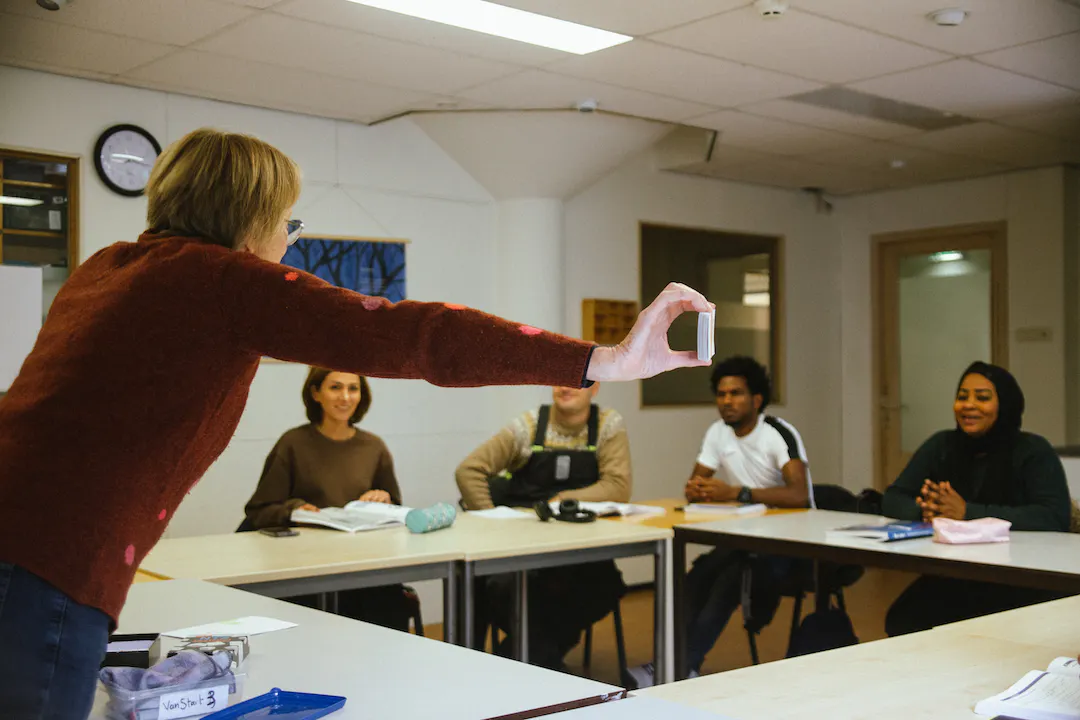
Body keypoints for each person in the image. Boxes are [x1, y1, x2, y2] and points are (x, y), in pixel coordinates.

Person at [0, 127, 713, 719]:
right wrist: (603, 358)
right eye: (289, 222)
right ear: (249, 217)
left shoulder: (109, 267)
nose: (289, 239)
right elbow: (417, 335)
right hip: (47, 565)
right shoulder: (216, 278)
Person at [629, 356, 811, 688]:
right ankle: (669, 662)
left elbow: (800, 496)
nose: (727, 401)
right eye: (722, 393)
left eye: (736, 393)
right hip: (743, 540)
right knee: (694, 579)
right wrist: (698, 489)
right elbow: (695, 484)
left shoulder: (777, 433)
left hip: (786, 545)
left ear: (756, 399)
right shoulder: (717, 432)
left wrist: (737, 493)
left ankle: (684, 666)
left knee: (727, 583)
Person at [882, 361, 1071, 636]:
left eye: (982, 398)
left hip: (1021, 577)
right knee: (902, 620)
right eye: (962, 397)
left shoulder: (1032, 451)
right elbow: (893, 497)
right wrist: (929, 513)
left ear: (1005, 405)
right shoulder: (942, 445)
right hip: (955, 573)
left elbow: (1053, 516)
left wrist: (967, 514)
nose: (969, 405)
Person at [456, 383, 630, 670]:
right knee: (509, 590)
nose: (566, 386)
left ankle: (509, 666)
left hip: (584, 557)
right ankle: (537, 669)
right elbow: (468, 470)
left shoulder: (608, 425)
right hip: (525, 557)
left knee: (599, 590)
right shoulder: (528, 426)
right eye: (558, 377)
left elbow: (618, 487)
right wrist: (492, 523)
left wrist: (563, 500)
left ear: (595, 387)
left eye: (578, 380)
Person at [243, 367, 412, 631]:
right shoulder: (293, 444)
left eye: (353, 388)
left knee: (386, 603)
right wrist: (294, 509)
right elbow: (258, 511)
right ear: (315, 393)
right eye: (335, 387)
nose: (345, 397)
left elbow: (398, 512)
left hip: (361, 563)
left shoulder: (374, 447)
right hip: (305, 566)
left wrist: (384, 500)